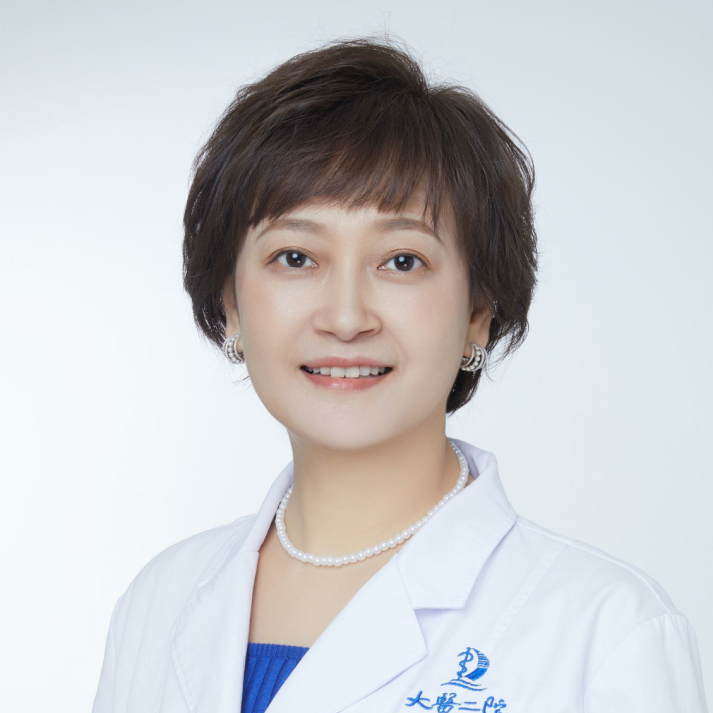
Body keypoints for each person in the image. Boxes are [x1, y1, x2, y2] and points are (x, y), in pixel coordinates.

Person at [91, 36, 708, 713]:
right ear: (231, 304)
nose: (345, 317)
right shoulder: (159, 601)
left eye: (402, 261)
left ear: (478, 313)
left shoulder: (606, 632)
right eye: (295, 257)